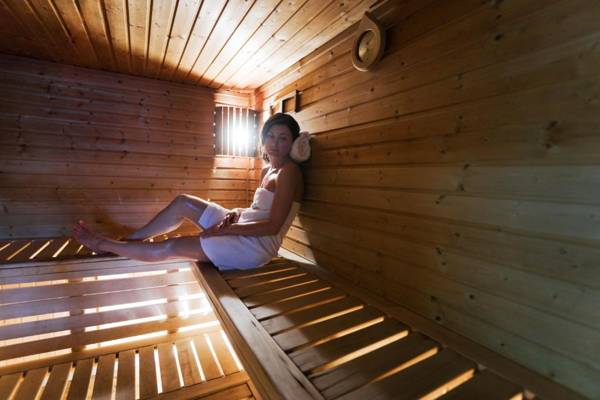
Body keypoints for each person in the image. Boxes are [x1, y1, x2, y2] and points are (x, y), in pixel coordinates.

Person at [72, 113, 304, 270]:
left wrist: (225, 230)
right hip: (243, 224)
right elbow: (260, 209)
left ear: (292, 143)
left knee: (173, 246)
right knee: (182, 202)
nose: (275, 143)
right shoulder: (267, 170)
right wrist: (236, 214)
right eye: (271, 136)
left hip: (255, 246)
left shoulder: (289, 172)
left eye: (283, 138)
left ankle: (102, 244)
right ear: (263, 138)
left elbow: (273, 226)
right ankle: (128, 242)